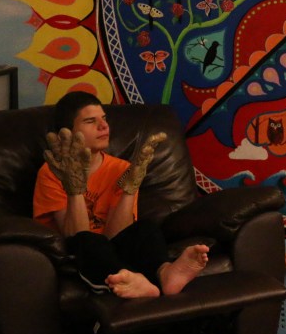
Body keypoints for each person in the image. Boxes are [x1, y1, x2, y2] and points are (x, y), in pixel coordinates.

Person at [33, 91, 209, 298]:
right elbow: (75, 235)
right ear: (68, 132)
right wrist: (74, 187)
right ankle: (128, 279)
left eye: (104, 119)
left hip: (111, 245)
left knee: (145, 229)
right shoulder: (52, 171)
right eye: (91, 121)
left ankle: (165, 273)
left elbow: (117, 236)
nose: (103, 126)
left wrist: (129, 189)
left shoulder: (122, 169)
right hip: (76, 251)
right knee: (88, 242)